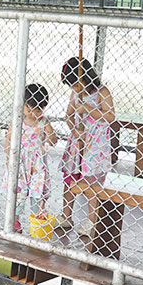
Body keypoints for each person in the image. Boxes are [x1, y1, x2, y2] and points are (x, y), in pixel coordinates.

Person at [57, 57, 115, 237]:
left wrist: (88, 109)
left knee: (91, 183)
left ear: (86, 77)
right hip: (78, 143)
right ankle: (67, 216)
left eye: (76, 84)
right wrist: (76, 132)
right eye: (72, 86)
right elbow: (68, 115)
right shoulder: (75, 94)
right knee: (70, 180)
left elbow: (111, 117)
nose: (74, 88)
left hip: (95, 146)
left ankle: (93, 221)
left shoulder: (101, 92)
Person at [3, 83, 57, 234]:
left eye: (38, 109)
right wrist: (9, 159)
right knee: (17, 192)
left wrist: (50, 134)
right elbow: (8, 139)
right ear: (23, 105)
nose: (33, 113)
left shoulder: (44, 122)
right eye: (29, 109)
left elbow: (53, 141)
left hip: (37, 163)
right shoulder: (18, 120)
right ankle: (15, 220)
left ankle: (37, 218)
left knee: (37, 191)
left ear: (44, 107)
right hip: (20, 161)